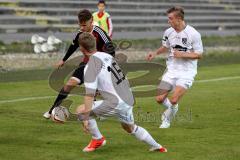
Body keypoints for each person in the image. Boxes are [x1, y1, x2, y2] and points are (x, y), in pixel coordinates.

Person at [76, 32, 167, 153]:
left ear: (81, 48)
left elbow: (89, 95)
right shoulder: (106, 56)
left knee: (81, 110)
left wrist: (86, 117)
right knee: (129, 127)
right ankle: (158, 146)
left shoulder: (90, 66)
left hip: (116, 102)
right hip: (128, 97)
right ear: (94, 44)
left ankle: (97, 138)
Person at [43, 9, 115, 119]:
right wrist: (63, 60)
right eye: (80, 25)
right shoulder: (80, 33)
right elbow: (73, 46)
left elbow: (111, 50)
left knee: (95, 91)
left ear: (91, 21)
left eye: (84, 25)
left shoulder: (99, 33)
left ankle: (97, 112)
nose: (81, 28)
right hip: (85, 63)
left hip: (100, 65)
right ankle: (53, 109)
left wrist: (106, 67)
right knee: (69, 84)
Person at [146, 6, 203, 128]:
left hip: (187, 72)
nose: (168, 21)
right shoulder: (168, 32)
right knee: (159, 99)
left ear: (179, 19)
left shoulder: (193, 34)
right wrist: (155, 53)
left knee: (174, 99)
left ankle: (167, 119)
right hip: (172, 70)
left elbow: (199, 55)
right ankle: (174, 108)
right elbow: (165, 46)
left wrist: (182, 54)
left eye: (170, 18)